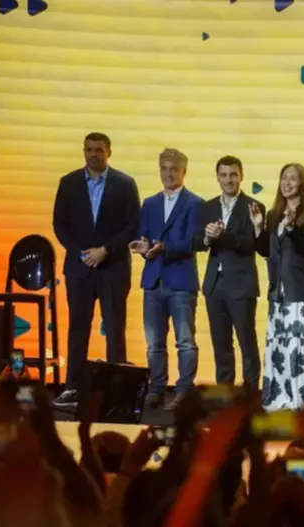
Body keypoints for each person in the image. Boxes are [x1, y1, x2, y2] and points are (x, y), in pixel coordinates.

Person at [51, 132, 140, 408]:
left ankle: (116, 394)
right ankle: (72, 388)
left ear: (109, 152)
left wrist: (106, 250)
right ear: (83, 151)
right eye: (89, 149)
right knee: (78, 329)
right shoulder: (68, 183)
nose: (93, 154)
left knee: (115, 329)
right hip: (79, 268)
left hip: (113, 267)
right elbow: (59, 224)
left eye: (99, 150)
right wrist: (83, 252)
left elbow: (133, 225)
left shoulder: (125, 184)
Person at [129, 148, 204, 411]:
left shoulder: (195, 203)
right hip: (153, 280)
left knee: (185, 342)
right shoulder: (149, 203)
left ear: (184, 171)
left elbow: (193, 242)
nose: (169, 174)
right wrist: (143, 248)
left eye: (174, 169)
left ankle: (184, 392)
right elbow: (143, 236)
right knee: (154, 344)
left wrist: (164, 248)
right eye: (164, 168)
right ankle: (156, 390)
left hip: (181, 281)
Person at [192, 155, 268, 387]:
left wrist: (221, 236)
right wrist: (207, 238)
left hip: (241, 285)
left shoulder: (254, 207)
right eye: (224, 175)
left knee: (247, 342)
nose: (228, 180)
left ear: (241, 176)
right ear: (217, 177)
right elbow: (197, 242)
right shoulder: (207, 207)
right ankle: (224, 395)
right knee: (221, 345)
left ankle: (251, 394)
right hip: (214, 285)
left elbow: (250, 244)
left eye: (233, 174)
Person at [260, 163, 304, 411]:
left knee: (300, 347)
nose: (287, 183)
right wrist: (257, 230)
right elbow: (267, 251)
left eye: (293, 179)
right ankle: (277, 399)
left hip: (302, 291)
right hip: (278, 292)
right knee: (279, 346)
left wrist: (292, 229)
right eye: (284, 178)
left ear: (302, 184)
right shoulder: (273, 215)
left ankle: (301, 400)